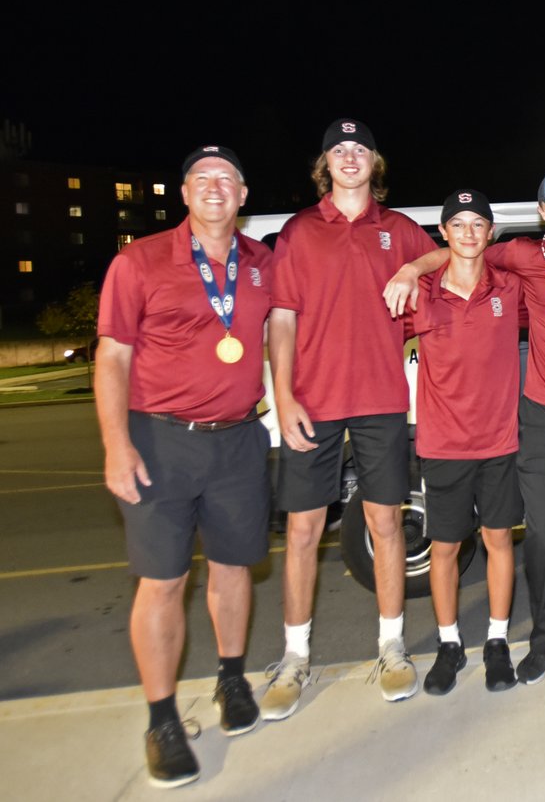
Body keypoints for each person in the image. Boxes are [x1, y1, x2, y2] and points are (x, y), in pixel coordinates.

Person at [385, 167, 545, 686]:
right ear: (541, 214)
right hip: (539, 416)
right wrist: (408, 269)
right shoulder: (519, 258)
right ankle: (544, 639)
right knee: (542, 534)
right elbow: (457, 253)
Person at [95, 145, 273, 788]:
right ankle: (162, 718)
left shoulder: (261, 264)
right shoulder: (138, 261)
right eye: (203, 179)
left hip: (237, 440)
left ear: (245, 195)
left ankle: (231, 680)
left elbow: (286, 330)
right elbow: (112, 357)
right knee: (164, 581)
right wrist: (117, 444)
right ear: (184, 193)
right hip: (160, 440)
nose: (215, 188)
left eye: (227, 179)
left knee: (232, 570)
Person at [262, 119, 437, 719]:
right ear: (325, 164)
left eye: (360, 149)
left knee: (386, 523)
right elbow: (281, 317)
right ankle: (294, 657)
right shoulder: (300, 231)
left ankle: (391, 647)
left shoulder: (397, 229)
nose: (350, 158)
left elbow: (452, 249)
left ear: (374, 162)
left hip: (382, 401)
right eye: (339, 150)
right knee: (305, 532)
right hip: (312, 402)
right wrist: (283, 396)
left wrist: (413, 269)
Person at [408, 189, 524, 694]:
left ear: (491, 233)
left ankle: (497, 641)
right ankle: (449, 644)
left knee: (499, 541)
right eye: (459, 224)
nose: (470, 233)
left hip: (500, 442)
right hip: (444, 446)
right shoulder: (419, 293)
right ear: (444, 233)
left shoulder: (511, 289)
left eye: (479, 224)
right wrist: (406, 271)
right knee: (445, 548)